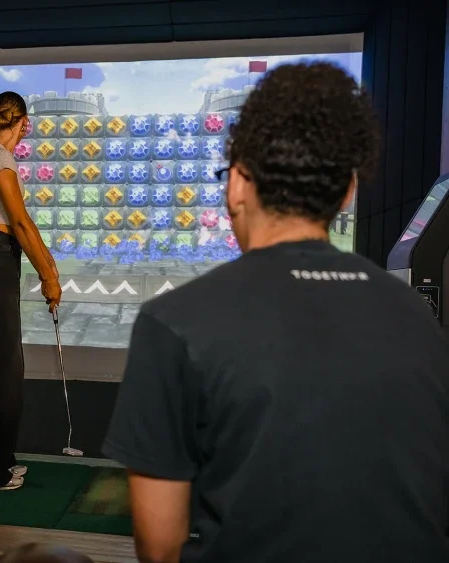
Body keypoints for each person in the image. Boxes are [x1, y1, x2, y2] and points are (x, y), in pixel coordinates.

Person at [102, 62, 449, 563]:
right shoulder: (417, 316)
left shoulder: (173, 323)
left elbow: (160, 545)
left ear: (239, 184)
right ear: (347, 190)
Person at [0, 91, 62, 491]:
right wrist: (48, 278)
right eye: (24, 127)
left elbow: (23, 224)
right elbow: (18, 222)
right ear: (23, 123)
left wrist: (48, 265)